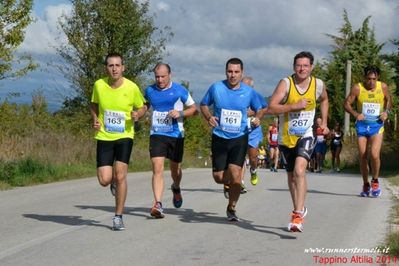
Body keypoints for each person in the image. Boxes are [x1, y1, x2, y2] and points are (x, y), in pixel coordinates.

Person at [267, 51, 329, 232]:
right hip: (286, 137)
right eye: (298, 65)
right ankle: (299, 208)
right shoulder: (286, 83)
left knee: (299, 170)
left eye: (305, 65)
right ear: (294, 67)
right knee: (291, 176)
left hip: (306, 134)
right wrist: (293, 106)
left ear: (312, 67)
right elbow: (271, 107)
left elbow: (325, 100)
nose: (302, 69)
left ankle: (297, 214)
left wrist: (324, 122)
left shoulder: (318, 84)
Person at [200, 58, 264, 221]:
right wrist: (209, 117)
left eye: (236, 72)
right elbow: (204, 104)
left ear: (241, 73)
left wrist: (257, 118)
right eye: (230, 71)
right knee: (219, 178)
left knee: (236, 175)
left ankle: (232, 207)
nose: (233, 75)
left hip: (239, 137)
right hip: (220, 137)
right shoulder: (216, 88)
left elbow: (261, 107)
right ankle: (226, 184)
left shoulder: (248, 92)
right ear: (225, 72)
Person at [90, 52, 147, 231]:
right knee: (104, 180)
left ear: (123, 67)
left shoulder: (131, 87)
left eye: (117, 65)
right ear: (106, 68)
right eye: (110, 65)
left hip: (125, 135)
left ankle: (118, 217)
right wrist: (95, 119)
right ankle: (113, 181)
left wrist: (138, 114)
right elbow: (94, 104)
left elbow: (143, 106)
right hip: (105, 136)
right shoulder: (99, 85)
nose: (114, 69)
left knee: (122, 175)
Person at [144, 63, 197, 218]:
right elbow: (144, 105)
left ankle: (176, 187)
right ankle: (158, 204)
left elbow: (194, 110)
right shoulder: (149, 90)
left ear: (170, 75)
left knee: (176, 170)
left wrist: (180, 113)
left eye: (163, 76)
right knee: (157, 168)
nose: (160, 80)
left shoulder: (179, 90)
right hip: (157, 134)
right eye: (157, 77)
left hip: (176, 135)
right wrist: (139, 112)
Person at [344, 65, 392, 197]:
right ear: (364, 78)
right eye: (368, 79)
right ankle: (366, 184)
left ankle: (375, 180)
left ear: (378, 78)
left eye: (373, 79)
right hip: (362, 126)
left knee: (375, 155)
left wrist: (386, 112)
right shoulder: (358, 88)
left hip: (377, 125)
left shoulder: (382, 87)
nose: (371, 82)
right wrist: (355, 114)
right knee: (363, 155)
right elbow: (346, 103)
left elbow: (388, 99)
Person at [240, 76, 268, 188]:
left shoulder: (256, 96)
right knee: (240, 156)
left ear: (252, 87)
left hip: (253, 131)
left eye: (248, 87)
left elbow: (265, 108)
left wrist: (257, 116)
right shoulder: (237, 95)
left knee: (252, 157)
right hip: (240, 131)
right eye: (243, 86)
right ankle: (240, 183)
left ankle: (253, 169)